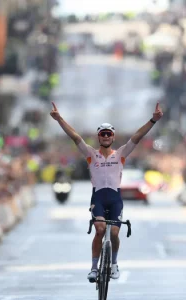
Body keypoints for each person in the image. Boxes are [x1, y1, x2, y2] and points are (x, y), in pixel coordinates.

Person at [50, 101, 163, 282]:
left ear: (113, 137)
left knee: (115, 233)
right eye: (102, 134)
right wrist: (59, 119)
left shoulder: (120, 154)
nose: (105, 137)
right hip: (99, 199)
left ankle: (114, 264)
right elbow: (76, 138)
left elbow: (136, 137)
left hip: (115, 199)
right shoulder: (91, 154)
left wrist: (153, 120)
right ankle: (94, 269)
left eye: (108, 134)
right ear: (98, 137)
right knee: (100, 229)